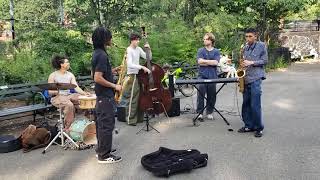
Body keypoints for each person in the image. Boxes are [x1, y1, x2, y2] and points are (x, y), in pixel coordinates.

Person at [91, 27, 122, 163]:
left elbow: (95, 74)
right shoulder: (102, 55)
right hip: (105, 96)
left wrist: (112, 71)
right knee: (106, 125)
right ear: (104, 39)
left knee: (101, 125)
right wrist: (115, 86)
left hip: (101, 96)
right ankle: (104, 155)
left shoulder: (97, 53)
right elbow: (97, 78)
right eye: (109, 37)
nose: (111, 39)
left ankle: (101, 149)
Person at [237, 28, 268, 138]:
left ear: (255, 36)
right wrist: (241, 68)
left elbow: (265, 61)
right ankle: (248, 125)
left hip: (256, 78)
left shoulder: (261, 46)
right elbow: (242, 62)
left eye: (250, 36)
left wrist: (252, 62)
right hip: (245, 78)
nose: (248, 38)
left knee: (255, 104)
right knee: (246, 104)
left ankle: (258, 128)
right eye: (246, 36)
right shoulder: (245, 47)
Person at [48, 55, 89, 131]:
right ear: (61, 64)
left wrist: (84, 93)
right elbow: (50, 92)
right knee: (69, 105)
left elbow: (76, 87)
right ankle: (67, 129)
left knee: (84, 99)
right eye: (67, 62)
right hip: (57, 97)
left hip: (69, 95)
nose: (69, 63)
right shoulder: (53, 75)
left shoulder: (70, 75)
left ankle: (87, 123)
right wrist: (59, 89)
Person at [119, 33, 151, 126]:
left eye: (138, 40)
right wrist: (142, 67)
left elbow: (148, 58)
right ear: (132, 40)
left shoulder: (138, 49)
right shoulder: (129, 50)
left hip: (138, 76)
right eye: (136, 40)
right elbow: (130, 64)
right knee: (132, 98)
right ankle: (130, 119)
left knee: (140, 97)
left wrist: (148, 49)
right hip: (132, 76)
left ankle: (139, 118)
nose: (138, 41)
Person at [196, 33, 220, 121]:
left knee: (212, 95)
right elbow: (199, 61)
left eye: (206, 39)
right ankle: (200, 113)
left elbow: (216, 63)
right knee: (200, 94)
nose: (204, 40)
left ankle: (209, 112)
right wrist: (210, 62)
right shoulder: (200, 50)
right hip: (202, 76)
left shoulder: (216, 51)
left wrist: (205, 62)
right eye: (204, 39)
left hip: (213, 76)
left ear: (211, 40)